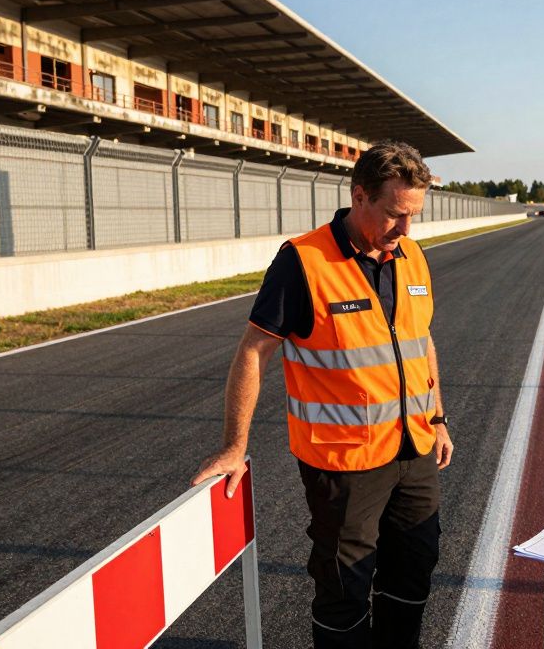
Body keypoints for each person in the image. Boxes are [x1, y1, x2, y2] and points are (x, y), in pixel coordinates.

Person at [192, 140, 454, 649]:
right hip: (344, 462)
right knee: (344, 588)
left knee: (415, 569)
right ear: (360, 196)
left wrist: (438, 417)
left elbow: (421, 340)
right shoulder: (304, 261)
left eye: (414, 216)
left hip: (415, 449)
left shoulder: (412, 256)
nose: (406, 231)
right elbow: (254, 351)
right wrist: (233, 444)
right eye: (395, 215)